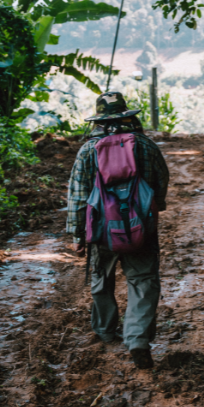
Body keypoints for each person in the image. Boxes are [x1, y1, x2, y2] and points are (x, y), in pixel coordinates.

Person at [67, 91, 169, 370]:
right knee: (144, 281)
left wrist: (78, 235)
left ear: (99, 117)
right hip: (141, 227)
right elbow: (161, 180)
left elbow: (77, 196)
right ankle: (137, 339)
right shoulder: (146, 146)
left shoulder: (88, 150)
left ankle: (105, 330)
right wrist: (156, 207)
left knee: (102, 277)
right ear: (126, 114)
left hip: (102, 229)